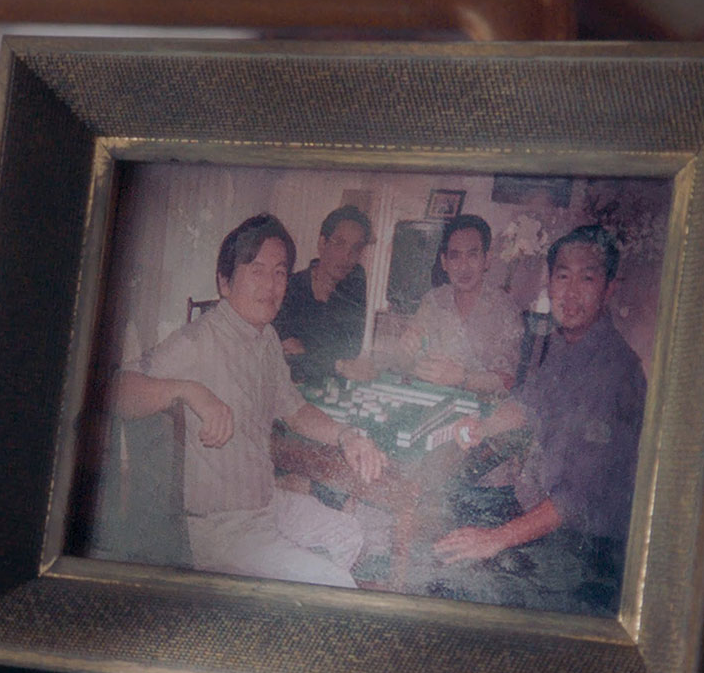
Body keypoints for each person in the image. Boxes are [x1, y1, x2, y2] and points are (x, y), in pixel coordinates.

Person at [112, 214, 386, 589]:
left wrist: (347, 435)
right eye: (256, 271)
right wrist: (189, 390)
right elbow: (118, 391)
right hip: (220, 527)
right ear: (225, 282)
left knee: (350, 533)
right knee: (336, 583)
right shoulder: (198, 340)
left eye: (279, 272)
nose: (271, 285)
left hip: (265, 504)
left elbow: (295, 410)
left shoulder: (266, 338)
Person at [422, 225, 647, 616]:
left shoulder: (615, 371)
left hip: (585, 553)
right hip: (542, 519)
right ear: (550, 282)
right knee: (441, 538)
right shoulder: (565, 344)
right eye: (563, 277)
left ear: (609, 287)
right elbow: (527, 403)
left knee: (453, 582)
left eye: (587, 279)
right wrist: (483, 426)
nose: (571, 293)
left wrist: (494, 539)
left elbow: (575, 499)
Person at [394, 214, 523, 395]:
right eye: (455, 257)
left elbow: (508, 380)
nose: (463, 267)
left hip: (480, 407)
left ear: (487, 259)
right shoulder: (433, 301)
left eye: (472, 255)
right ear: (444, 262)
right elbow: (406, 361)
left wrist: (464, 378)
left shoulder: (505, 310)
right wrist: (405, 351)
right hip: (430, 398)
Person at [272, 205, 372, 386]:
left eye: (356, 248)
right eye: (339, 243)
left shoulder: (354, 285)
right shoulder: (290, 288)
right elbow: (290, 358)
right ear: (322, 243)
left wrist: (307, 354)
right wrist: (334, 363)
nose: (347, 256)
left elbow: (350, 351)